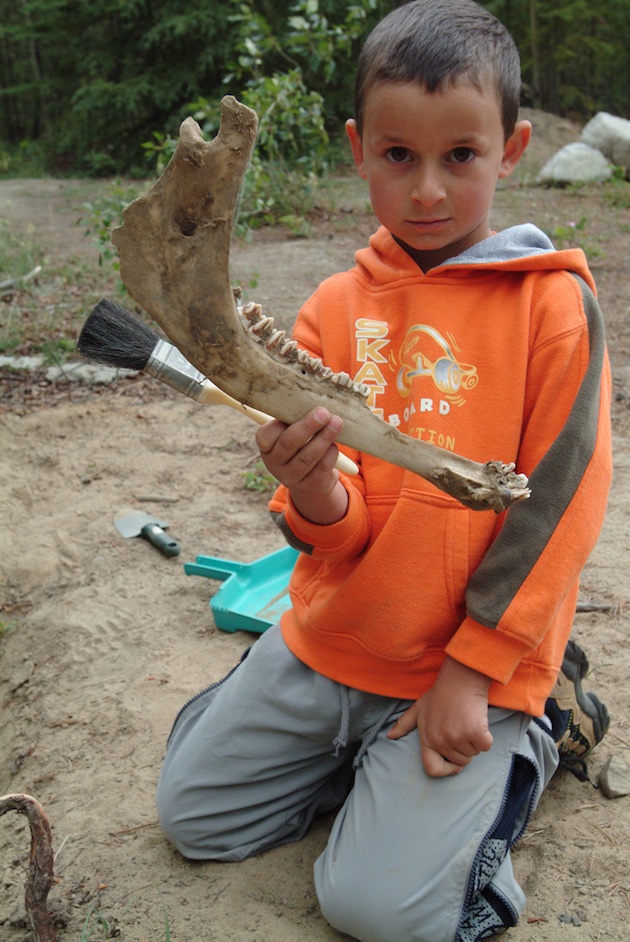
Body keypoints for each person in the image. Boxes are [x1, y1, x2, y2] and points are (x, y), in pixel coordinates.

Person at [156, 2, 612, 939]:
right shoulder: (333, 307)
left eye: (462, 157)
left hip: (464, 664)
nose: (429, 190)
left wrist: (476, 669)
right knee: (194, 819)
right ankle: (365, 763)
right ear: (360, 149)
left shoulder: (553, 307)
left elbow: (560, 507)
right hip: (340, 638)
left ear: (512, 148)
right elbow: (339, 523)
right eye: (399, 156)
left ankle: (543, 715)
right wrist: (315, 489)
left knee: (371, 909)